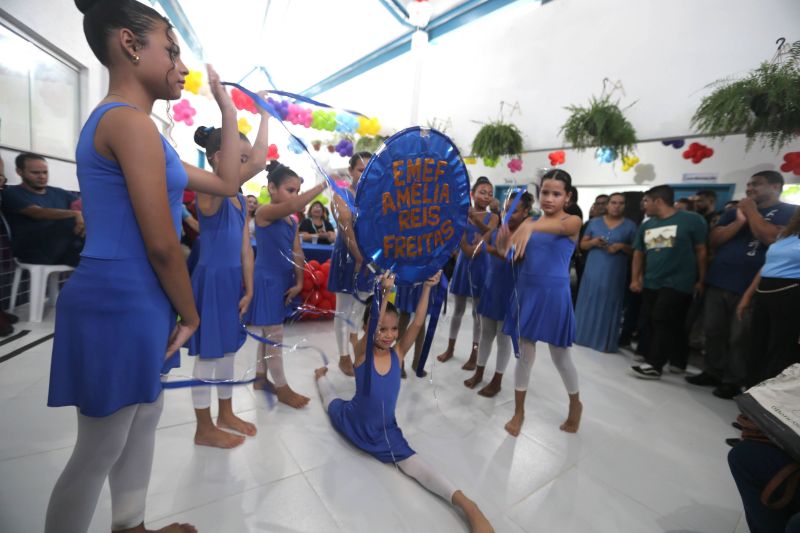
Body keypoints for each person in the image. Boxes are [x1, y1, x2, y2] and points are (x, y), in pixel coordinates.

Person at [45, 2, 243, 531]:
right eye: (171, 51)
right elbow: (161, 243)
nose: (181, 66)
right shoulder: (125, 123)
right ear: (131, 46)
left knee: (143, 418)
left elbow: (227, 183)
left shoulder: (146, 132)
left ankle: (130, 525)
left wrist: (227, 108)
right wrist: (192, 313)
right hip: (117, 299)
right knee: (98, 449)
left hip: (137, 300)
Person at [314, 271, 494, 533]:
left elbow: (418, 323)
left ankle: (469, 506)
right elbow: (375, 318)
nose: (389, 335)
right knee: (329, 400)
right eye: (382, 329)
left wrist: (427, 289)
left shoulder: (398, 353)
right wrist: (385, 292)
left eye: (394, 328)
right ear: (368, 329)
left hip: (385, 433)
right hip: (353, 422)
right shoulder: (362, 354)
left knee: (419, 469)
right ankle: (320, 376)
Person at [187, 113, 270, 448]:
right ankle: (203, 427)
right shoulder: (209, 193)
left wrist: (248, 287)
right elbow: (263, 160)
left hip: (231, 281)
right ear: (219, 158)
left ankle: (226, 412)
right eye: (242, 159)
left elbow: (244, 250)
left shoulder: (237, 197)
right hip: (211, 281)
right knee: (208, 356)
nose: (248, 166)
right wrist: (259, 114)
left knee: (227, 353)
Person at [687, 171, 796, 398]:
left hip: (752, 286)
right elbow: (714, 241)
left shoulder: (790, 213)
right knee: (713, 330)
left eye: (756, 184)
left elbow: (768, 237)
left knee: (740, 337)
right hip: (720, 280)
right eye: (748, 184)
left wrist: (751, 211)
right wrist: (738, 221)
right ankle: (713, 370)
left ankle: (733, 379)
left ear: (776, 187)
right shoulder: (732, 212)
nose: (749, 188)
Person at [497, 169, 583, 437]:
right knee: (524, 355)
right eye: (545, 192)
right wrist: (503, 241)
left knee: (561, 357)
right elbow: (508, 254)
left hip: (554, 296)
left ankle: (575, 404)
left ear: (567, 197)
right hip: (527, 294)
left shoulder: (573, 221)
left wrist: (527, 225)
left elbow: (560, 227)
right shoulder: (531, 223)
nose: (549, 198)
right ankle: (519, 412)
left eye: (556, 193)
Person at [245, 161, 326, 408]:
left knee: (269, 333)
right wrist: (324, 183)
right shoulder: (264, 213)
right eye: (290, 190)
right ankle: (282, 388)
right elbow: (294, 206)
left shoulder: (291, 221)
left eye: (296, 191)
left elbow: (297, 251)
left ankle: (261, 378)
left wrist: (300, 281)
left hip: (282, 280)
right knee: (275, 336)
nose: (295, 196)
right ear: (271, 188)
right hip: (267, 280)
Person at [629, 185, 708, 379]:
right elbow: (639, 253)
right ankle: (677, 361)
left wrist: (702, 280)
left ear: (658, 201)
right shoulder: (648, 225)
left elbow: (701, 251)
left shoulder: (691, 220)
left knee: (662, 318)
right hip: (652, 281)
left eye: (646, 201)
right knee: (658, 321)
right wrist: (635, 278)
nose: (644, 205)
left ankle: (655, 364)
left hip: (678, 282)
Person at [464, 191, 532, 396]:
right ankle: (479, 372)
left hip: (510, 293)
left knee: (503, 339)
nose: (509, 214)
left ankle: (497, 379)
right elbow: (479, 245)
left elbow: (517, 259)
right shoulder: (497, 231)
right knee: (486, 334)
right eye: (506, 209)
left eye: (515, 211)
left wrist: (495, 251)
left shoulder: (525, 235)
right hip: (491, 289)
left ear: (526, 212)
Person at [436, 176, 498, 369]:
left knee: (477, 314)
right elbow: (460, 243)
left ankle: (474, 354)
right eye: (482, 192)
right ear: (473, 194)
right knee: (458, 310)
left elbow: (489, 233)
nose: (487, 196)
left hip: (483, 266)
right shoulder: (461, 215)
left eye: (490, 193)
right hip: (464, 264)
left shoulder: (493, 217)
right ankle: (450, 348)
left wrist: (474, 220)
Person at [737, 207, 800, 387]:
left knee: (780, 349)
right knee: (756, 345)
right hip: (765, 293)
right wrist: (747, 296)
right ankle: (750, 392)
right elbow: (766, 266)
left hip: (791, 295)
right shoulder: (786, 234)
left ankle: (765, 401)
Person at [575, 193, 637, 353]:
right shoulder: (594, 223)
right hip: (593, 269)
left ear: (625, 206)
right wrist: (594, 242)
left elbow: (637, 251)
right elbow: (582, 245)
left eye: (621, 203)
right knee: (589, 299)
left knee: (609, 302)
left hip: (615, 270)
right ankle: (581, 336)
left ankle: (603, 341)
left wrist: (622, 246)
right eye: (614, 202)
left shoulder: (630, 226)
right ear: (608, 205)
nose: (617, 206)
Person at [329, 151, 373, 376]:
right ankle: (343, 356)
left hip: (368, 260)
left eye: (370, 170)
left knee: (359, 309)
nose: (365, 174)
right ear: (351, 171)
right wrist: (358, 257)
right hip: (347, 258)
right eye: (360, 169)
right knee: (343, 310)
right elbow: (346, 229)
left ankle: (356, 348)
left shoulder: (376, 199)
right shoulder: (341, 195)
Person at [1, 152, 85, 266]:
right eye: (35, 173)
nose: (42, 176)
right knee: (70, 220)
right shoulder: (11, 193)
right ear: (19, 172)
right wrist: (75, 214)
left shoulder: (58, 193)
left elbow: (84, 206)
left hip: (64, 251)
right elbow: (37, 212)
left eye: (45, 172)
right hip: (32, 252)